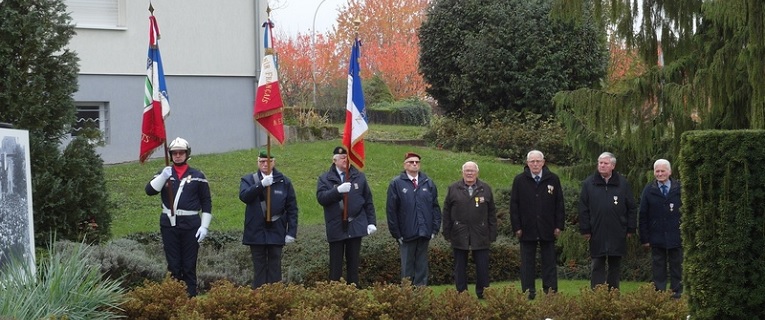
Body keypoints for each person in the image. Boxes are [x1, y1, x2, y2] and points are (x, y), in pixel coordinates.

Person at [145, 137, 212, 297]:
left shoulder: (198, 175)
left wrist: (204, 226)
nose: (177, 156)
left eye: (181, 152)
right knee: (173, 264)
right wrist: (162, 176)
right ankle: (174, 299)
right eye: (174, 153)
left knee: (189, 265)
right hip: (169, 224)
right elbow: (149, 191)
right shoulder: (165, 173)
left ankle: (190, 300)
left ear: (187, 154)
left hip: (191, 224)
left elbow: (206, 202)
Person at [316, 146, 377, 286]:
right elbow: (321, 198)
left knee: (354, 264)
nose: (346, 160)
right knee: (335, 265)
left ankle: (353, 293)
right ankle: (334, 294)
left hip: (355, 225)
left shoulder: (359, 177)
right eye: (342, 158)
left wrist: (371, 222)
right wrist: (337, 191)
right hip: (336, 225)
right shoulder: (325, 178)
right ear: (334, 160)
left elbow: (368, 201)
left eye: (347, 157)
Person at [239, 150, 298, 289]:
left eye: (268, 161)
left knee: (275, 267)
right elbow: (244, 197)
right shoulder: (248, 180)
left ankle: (275, 298)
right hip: (256, 230)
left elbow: (292, 208)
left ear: (274, 162)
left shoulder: (284, 181)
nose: (265, 164)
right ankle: (259, 300)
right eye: (262, 161)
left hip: (276, 229)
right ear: (257, 162)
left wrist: (291, 232)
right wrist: (261, 185)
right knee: (259, 268)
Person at [510, 150, 565, 300]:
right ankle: (529, 292)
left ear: (543, 162)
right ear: (527, 163)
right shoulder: (519, 180)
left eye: (538, 161)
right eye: (532, 161)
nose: (535, 164)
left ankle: (550, 292)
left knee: (549, 262)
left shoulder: (553, 179)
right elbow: (514, 206)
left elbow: (559, 204)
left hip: (548, 227)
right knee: (527, 263)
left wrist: (559, 225)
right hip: (526, 228)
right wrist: (517, 227)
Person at [578, 152, 637, 290]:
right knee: (597, 264)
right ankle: (597, 295)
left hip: (617, 232)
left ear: (613, 166)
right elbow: (583, 208)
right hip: (596, 231)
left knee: (614, 265)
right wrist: (585, 229)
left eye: (605, 163)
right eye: (600, 163)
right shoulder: (589, 184)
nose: (602, 165)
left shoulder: (622, 184)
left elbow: (631, 208)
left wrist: (630, 228)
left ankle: (613, 294)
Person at [442, 161, 497, 299]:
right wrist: (447, 231)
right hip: (459, 233)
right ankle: (462, 294)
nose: (469, 173)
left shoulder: (486, 188)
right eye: (467, 170)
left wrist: (492, 232)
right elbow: (446, 212)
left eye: (472, 170)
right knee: (460, 267)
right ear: (462, 172)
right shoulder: (453, 188)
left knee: (482, 267)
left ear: (477, 173)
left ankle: (483, 293)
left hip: (481, 233)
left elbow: (492, 213)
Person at [386, 151, 441, 286]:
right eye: (411, 162)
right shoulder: (397, 184)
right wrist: (396, 233)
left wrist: (434, 228)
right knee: (407, 266)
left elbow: (435, 207)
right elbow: (391, 211)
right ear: (405, 165)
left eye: (417, 162)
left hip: (424, 232)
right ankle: (407, 295)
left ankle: (420, 293)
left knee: (422, 265)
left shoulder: (428, 183)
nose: (415, 164)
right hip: (406, 233)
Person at [639, 159, 683, 299]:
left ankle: (676, 294)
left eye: (662, 171)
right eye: (657, 171)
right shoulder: (649, 190)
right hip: (656, 237)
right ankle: (659, 295)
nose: (659, 174)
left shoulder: (679, 188)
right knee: (658, 269)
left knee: (677, 267)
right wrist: (644, 238)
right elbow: (643, 215)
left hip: (676, 236)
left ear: (669, 172)